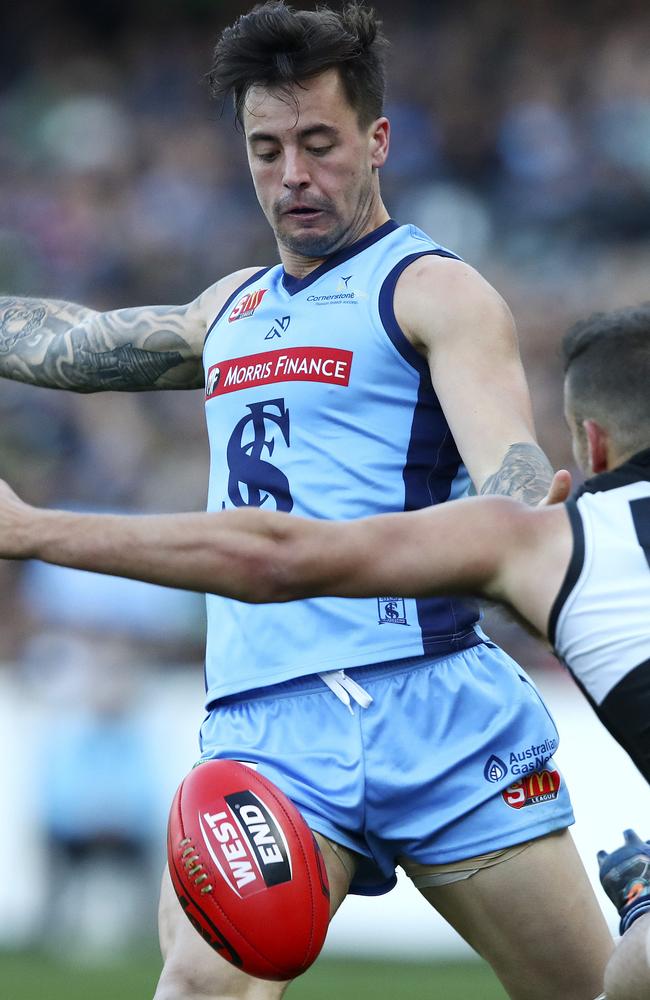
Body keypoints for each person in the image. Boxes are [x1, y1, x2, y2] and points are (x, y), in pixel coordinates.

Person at [0, 3, 612, 998]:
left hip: (433, 708)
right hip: (267, 733)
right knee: (201, 984)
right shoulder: (227, 309)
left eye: (318, 144)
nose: (292, 175)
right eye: (267, 148)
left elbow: (507, 474)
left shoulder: (430, 290)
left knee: (589, 992)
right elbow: (70, 345)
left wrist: (520, 527)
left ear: (375, 141)